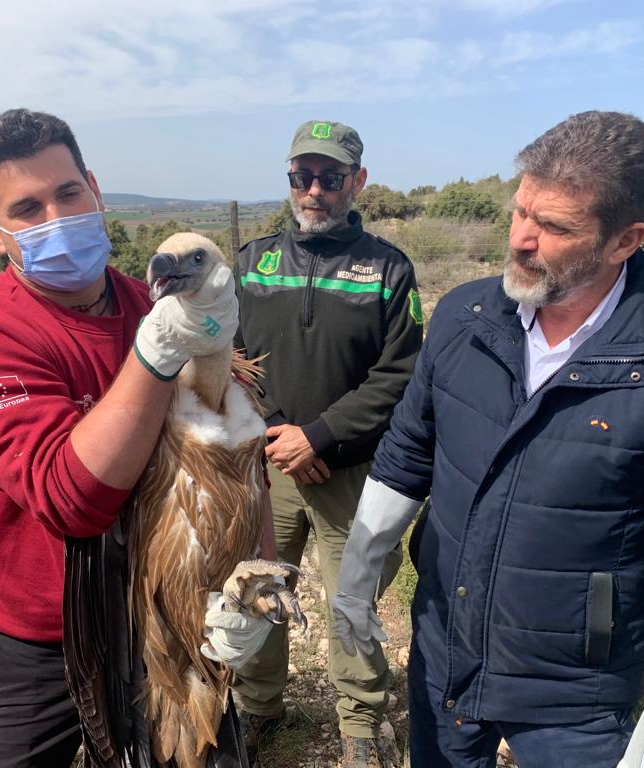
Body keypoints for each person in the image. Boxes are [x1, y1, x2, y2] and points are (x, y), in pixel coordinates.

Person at [332, 111, 644, 768]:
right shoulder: (464, 318)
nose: (521, 239)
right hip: (446, 651)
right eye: (520, 211)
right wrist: (355, 584)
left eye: (555, 226)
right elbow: (407, 454)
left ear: (626, 241)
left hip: (580, 695)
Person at [0, 108, 271, 767]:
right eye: (27, 208)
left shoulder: (164, 306)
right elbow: (72, 501)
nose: (57, 219)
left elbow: (241, 457)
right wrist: (156, 355)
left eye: (68, 194)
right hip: (34, 641)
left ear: (96, 190)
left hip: (170, 625)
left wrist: (260, 573)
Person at [231, 120, 424, 767]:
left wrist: (319, 437)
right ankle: (259, 707)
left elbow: (400, 373)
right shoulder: (252, 261)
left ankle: (361, 725)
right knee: (259, 589)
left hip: (353, 472)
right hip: (268, 468)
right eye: (301, 176)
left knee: (354, 603)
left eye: (330, 177)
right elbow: (229, 357)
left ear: (357, 182)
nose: (314, 189)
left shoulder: (388, 269)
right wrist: (279, 436)